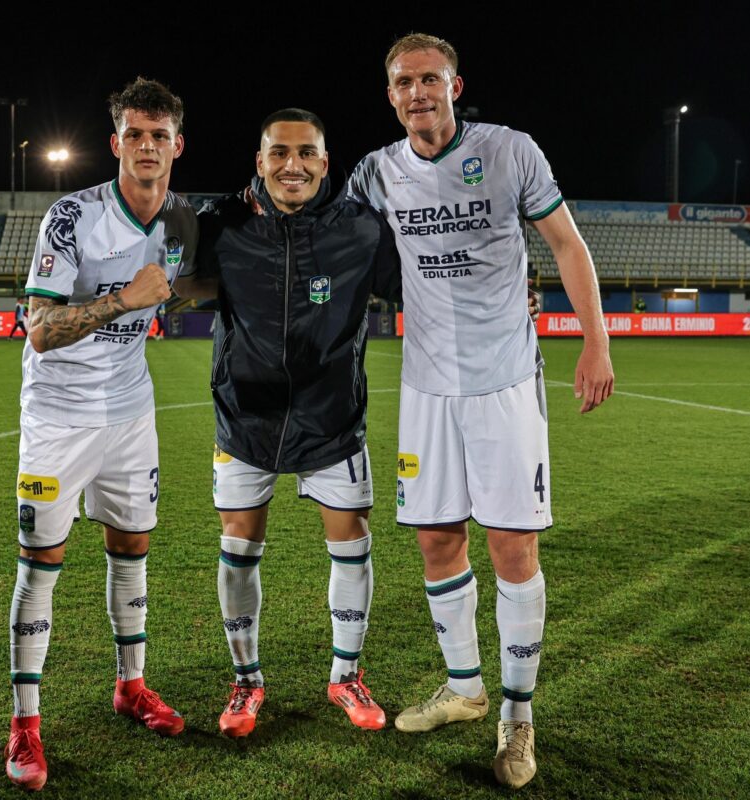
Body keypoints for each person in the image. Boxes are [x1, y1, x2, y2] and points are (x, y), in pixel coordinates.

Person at [348, 33, 614, 789]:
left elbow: (566, 244)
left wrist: (595, 342)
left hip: (504, 381)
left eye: (430, 79)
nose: (418, 93)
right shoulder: (376, 171)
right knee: (437, 539)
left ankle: (517, 718)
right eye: (404, 82)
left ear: (455, 87)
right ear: (390, 94)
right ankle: (464, 689)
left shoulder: (509, 151)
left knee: (512, 547)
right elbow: (327, 231)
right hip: (427, 386)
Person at [175, 109, 402, 739]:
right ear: (260, 160)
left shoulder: (360, 228)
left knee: (351, 542)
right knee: (238, 548)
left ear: (325, 162)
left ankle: (346, 675)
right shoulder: (223, 222)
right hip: (245, 418)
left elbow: (420, 286)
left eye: (306, 153)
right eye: (279, 152)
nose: (292, 164)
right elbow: (177, 278)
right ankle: (246, 681)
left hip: (332, 418)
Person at [3, 77, 198, 791]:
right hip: (58, 416)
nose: (147, 146)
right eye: (134, 134)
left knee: (132, 546)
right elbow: (39, 330)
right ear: (116, 143)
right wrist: (123, 300)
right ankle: (25, 724)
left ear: (178, 145)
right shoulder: (72, 216)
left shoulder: (181, 220)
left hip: (131, 411)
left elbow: (187, 287)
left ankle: (131, 686)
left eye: (159, 135)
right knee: (42, 559)